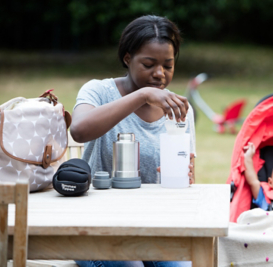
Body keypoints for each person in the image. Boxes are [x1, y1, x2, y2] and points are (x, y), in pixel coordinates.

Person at [70, 15, 194, 267]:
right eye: (149, 64)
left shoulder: (179, 109)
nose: (159, 74)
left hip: (152, 227)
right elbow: (79, 130)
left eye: (168, 66)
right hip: (94, 228)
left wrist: (186, 176)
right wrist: (143, 95)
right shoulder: (98, 91)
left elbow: (189, 178)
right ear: (128, 59)